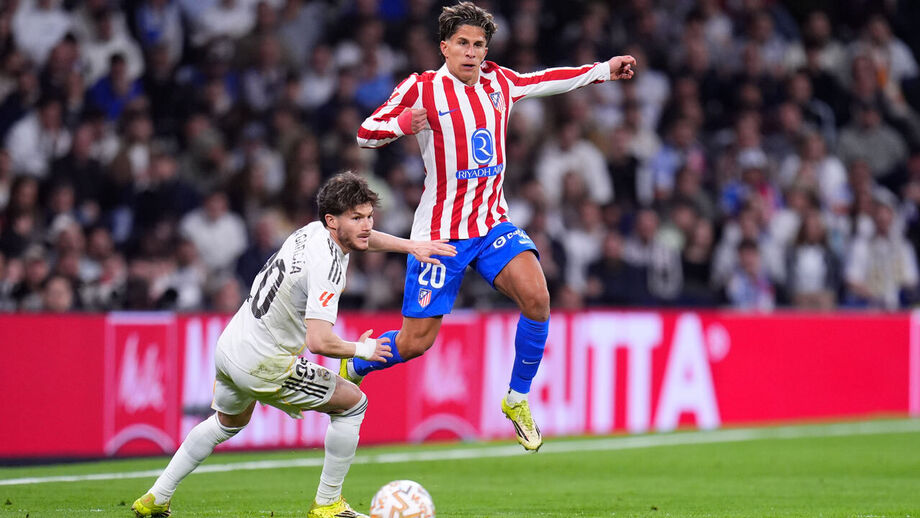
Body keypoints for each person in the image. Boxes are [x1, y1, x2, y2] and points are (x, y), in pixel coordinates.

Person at [353, 1, 636, 452]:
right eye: (462, 43)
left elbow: (546, 80)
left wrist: (603, 69)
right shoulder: (422, 87)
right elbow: (366, 131)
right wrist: (405, 123)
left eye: (478, 44)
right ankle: (354, 365)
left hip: (490, 224)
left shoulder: (500, 82)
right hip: (440, 234)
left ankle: (517, 398)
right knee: (414, 342)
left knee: (539, 298)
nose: (471, 52)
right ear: (444, 47)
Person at [131, 172, 455, 518]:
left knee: (226, 422)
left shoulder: (311, 232)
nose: (366, 225)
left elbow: (364, 239)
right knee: (353, 403)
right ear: (333, 220)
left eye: (369, 216)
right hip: (263, 361)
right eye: (356, 218)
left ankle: (155, 497)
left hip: (231, 344)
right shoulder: (328, 264)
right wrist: (364, 351)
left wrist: (410, 246)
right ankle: (328, 503)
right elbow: (319, 341)